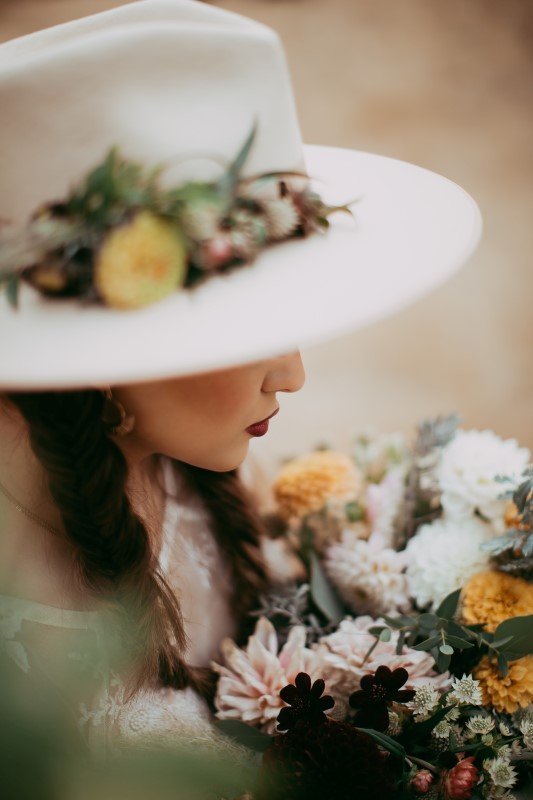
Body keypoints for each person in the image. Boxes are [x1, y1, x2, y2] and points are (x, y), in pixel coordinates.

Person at [0, 0, 480, 767]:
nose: (291, 374)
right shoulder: (20, 641)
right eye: (242, 332)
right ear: (99, 352)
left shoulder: (177, 462)